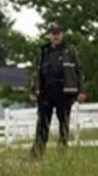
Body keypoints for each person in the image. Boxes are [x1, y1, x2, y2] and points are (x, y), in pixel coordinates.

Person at [29, 21, 86, 157]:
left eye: (58, 33)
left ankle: (62, 153)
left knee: (64, 123)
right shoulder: (43, 51)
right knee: (42, 123)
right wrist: (33, 91)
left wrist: (81, 90)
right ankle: (37, 154)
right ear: (49, 35)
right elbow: (36, 72)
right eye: (53, 33)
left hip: (64, 91)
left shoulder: (70, 50)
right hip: (46, 91)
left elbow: (79, 70)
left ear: (62, 35)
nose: (56, 36)